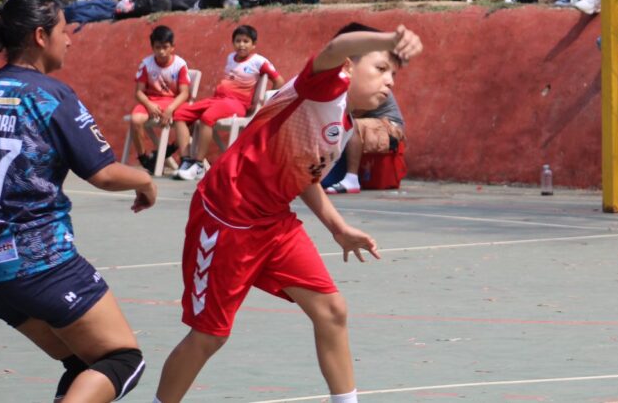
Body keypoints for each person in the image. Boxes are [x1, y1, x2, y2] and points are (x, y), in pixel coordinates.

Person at [152, 22, 423, 403]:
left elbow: (303, 175)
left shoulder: (343, 123)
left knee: (331, 311)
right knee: (209, 335)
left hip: (273, 222)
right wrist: (388, 40)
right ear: (347, 66)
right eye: (380, 69)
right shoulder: (323, 88)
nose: (389, 81)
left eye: (393, 74)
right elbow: (335, 44)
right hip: (227, 217)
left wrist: (336, 226)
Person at [0, 0, 157, 403]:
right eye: (63, 30)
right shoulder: (50, 96)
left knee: (82, 362)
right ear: (41, 36)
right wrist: (145, 181)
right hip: (41, 262)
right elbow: (105, 174)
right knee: (122, 360)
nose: (70, 39)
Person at [172, 24, 285, 181]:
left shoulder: (259, 61)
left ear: (254, 44)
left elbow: (279, 81)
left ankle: (198, 166)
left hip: (237, 103)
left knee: (207, 117)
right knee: (179, 114)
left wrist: (264, 103)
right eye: (238, 41)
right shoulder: (230, 57)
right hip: (217, 100)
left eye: (246, 41)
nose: (241, 45)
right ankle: (186, 161)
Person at [130, 25, 191, 172]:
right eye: (158, 47)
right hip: (151, 101)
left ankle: (170, 150)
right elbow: (139, 93)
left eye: (165, 47)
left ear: (172, 47)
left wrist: (170, 109)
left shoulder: (180, 65)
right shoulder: (146, 64)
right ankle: (144, 158)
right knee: (135, 120)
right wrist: (149, 105)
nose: (161, 51)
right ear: (152, 47)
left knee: (192, 120)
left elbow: (184, 93)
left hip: (173, 102)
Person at [321, 89, 406, 194]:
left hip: (391, 126)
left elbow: (356, 111)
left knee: (352, 124)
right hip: (370, 124)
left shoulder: (371, 84)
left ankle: (351, 180)